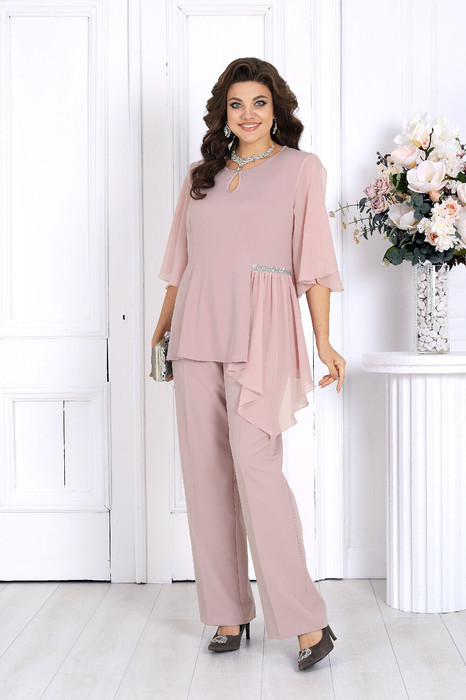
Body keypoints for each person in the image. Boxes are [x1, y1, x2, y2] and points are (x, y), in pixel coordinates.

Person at [150, 57, 346, 671]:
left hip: (263, 332)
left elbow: (315, 263)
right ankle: (227, 613)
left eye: (259, 102)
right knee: (205, 474)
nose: (248, 114)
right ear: (223, 113)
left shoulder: (301, 169)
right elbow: (180, 264)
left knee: (258, 471)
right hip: (196, 330)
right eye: (237, 104)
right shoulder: (200, 175)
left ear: (276, 107)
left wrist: (323, 341)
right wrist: (161, 328)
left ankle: (308, 621)